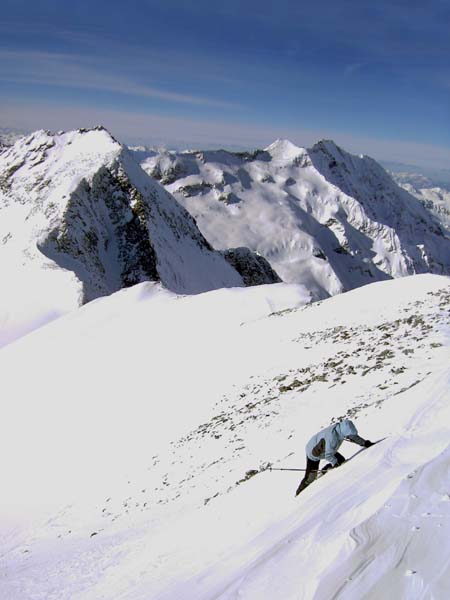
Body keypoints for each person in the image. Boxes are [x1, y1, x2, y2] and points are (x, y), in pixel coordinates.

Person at [295, 419, 373, 496]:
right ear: (345, 433)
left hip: (321, 446)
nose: (349, 436)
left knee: (340, 460)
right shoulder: (332, 439)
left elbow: (353, 437)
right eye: (348, 435)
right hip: (313, 452)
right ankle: (299, 492)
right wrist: (335, 463)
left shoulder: (340, 428)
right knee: (310, 477)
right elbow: (328, 455)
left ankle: (325, 469)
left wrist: (364, 443)